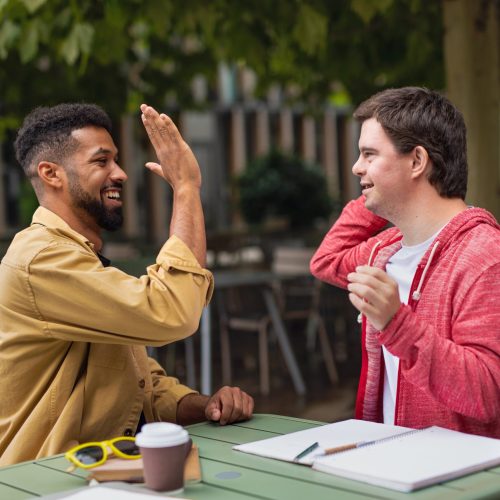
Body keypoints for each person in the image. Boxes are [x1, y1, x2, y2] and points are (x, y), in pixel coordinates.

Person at [0, 102, 254, 466]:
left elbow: (136, 381)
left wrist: (204, 405)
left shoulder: (78, 254)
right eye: (101, 161)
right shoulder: (42, 258)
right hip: (45, 479)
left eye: (116, 160)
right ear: (51, 173)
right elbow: (170, 312)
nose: (120, 173)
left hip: (100, 470)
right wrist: (185, 188)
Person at [310, 87, 500, 438]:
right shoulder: (387, 249)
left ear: (416, 161)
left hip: (457, 485)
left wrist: (396, 324)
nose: (356, 167)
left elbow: (489, 392)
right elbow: (327, 260)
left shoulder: (485, 256)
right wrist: (376, 196)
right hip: (390, 466)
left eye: (368, 154)